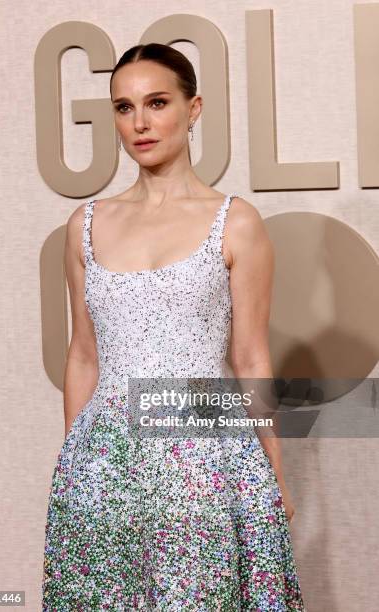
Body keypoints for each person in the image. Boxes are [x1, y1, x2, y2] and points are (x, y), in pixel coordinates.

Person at [42, 42, 305, 611]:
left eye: (157, 102)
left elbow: (251, 358)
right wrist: (72, 461)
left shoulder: (236, 222)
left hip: (205, 458)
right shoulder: (85, 223)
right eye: (123, 107)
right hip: (105, 460)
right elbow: (84, 354)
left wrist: (273, 471)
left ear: (194, 108)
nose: (139, 123)